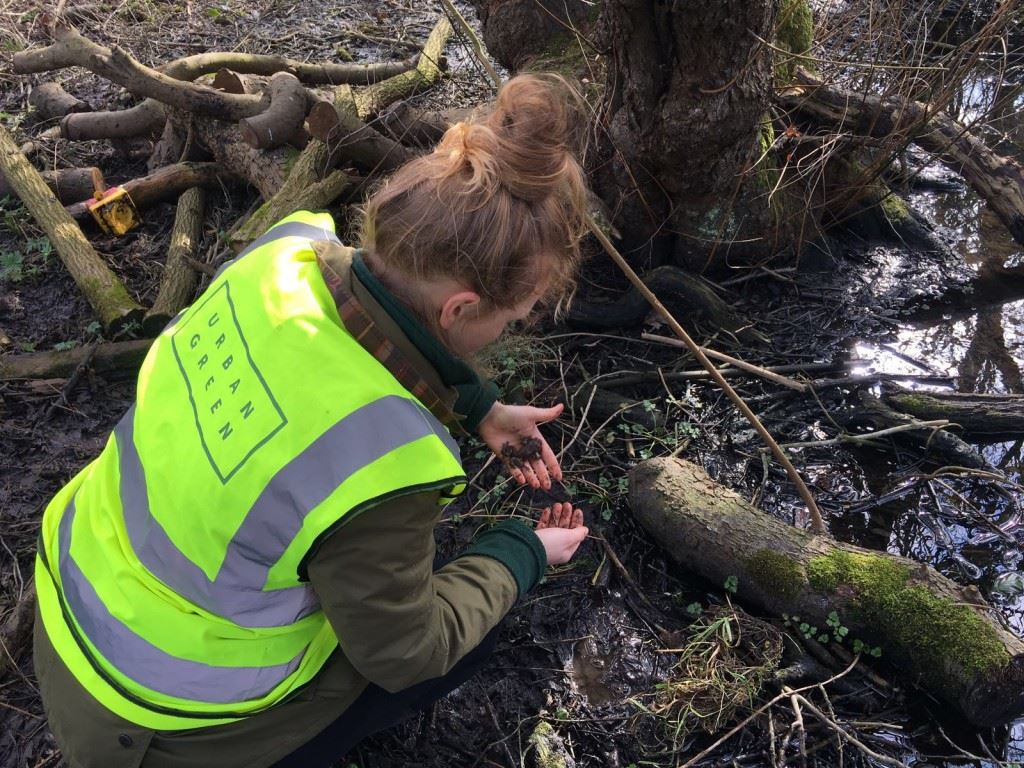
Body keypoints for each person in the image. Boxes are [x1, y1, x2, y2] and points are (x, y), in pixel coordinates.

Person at [32, 73, 591, 768]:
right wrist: (521, 551)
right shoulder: (384, 463)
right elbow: (407, 654)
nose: (515, 327)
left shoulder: (282, 254)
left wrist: (477, 405)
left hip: (69, 601)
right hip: (148, 724)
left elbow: (357, 312)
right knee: (470, 635)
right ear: (460, 309)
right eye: (516, 316)